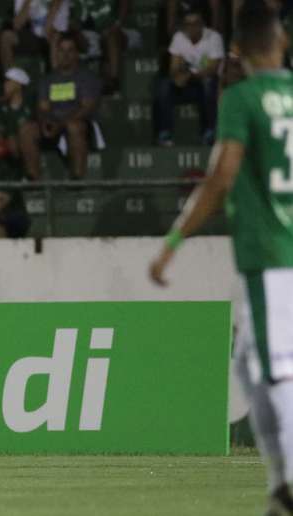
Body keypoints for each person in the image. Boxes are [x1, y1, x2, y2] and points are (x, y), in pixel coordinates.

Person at [149, 5, 293, 515]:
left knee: (273, 369)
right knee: (254, 364)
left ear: (240, 53)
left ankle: (289, 476)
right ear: (282, 44)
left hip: (272, 253)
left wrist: (172, 243)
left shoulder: (244, 98)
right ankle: (281, 487)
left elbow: (222, 175)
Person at [36, 33, 103, 180]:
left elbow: (87, 107)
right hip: (54, 124)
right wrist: (46, 122)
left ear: (77, 54)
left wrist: (61, 124)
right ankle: (32, 179)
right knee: (27, 130)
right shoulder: (48, 80)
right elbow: (43, 108)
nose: (65, 55)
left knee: (74, 126)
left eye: (70, 50)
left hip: (81, 123)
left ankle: (77, 177)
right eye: (61, 50)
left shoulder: (87, 77)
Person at [154, 9, 224, 146]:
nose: (192, 27)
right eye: (188, 24)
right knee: (163, 85)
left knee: (208, 82)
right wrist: (178, 77)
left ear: (202, 24)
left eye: (196, 23)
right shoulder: (179, 37)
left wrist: (189, 74)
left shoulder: (214, 37)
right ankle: (164, 133)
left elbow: (212, 69)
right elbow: (173, 68)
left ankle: (209, 131)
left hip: (211, 85)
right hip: (189, 84)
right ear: (183, 26)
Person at [70, 0, 130, 96]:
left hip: (110, 27)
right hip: (84, 32)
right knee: (70, 39)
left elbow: (125, 3)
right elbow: (71, 17)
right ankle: (70, 84)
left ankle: (113, 80)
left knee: (111, 37)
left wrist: (117, 24)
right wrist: (77, 32)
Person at [0, 67, 40, 179]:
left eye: (8, 81)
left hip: (32, 138)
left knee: (26, 132)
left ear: (18, 84)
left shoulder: (31, 102)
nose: (5, 84)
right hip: (9, 140)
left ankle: (34, 178)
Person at [0, 0, 70, 72]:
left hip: (59, 31)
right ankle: (10, 78)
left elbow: (54, 10)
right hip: (35, 34)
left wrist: (46, 32)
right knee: (6, 36)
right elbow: (17, 25)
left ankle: (56, 78)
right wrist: (28, 3)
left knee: (55, 38)